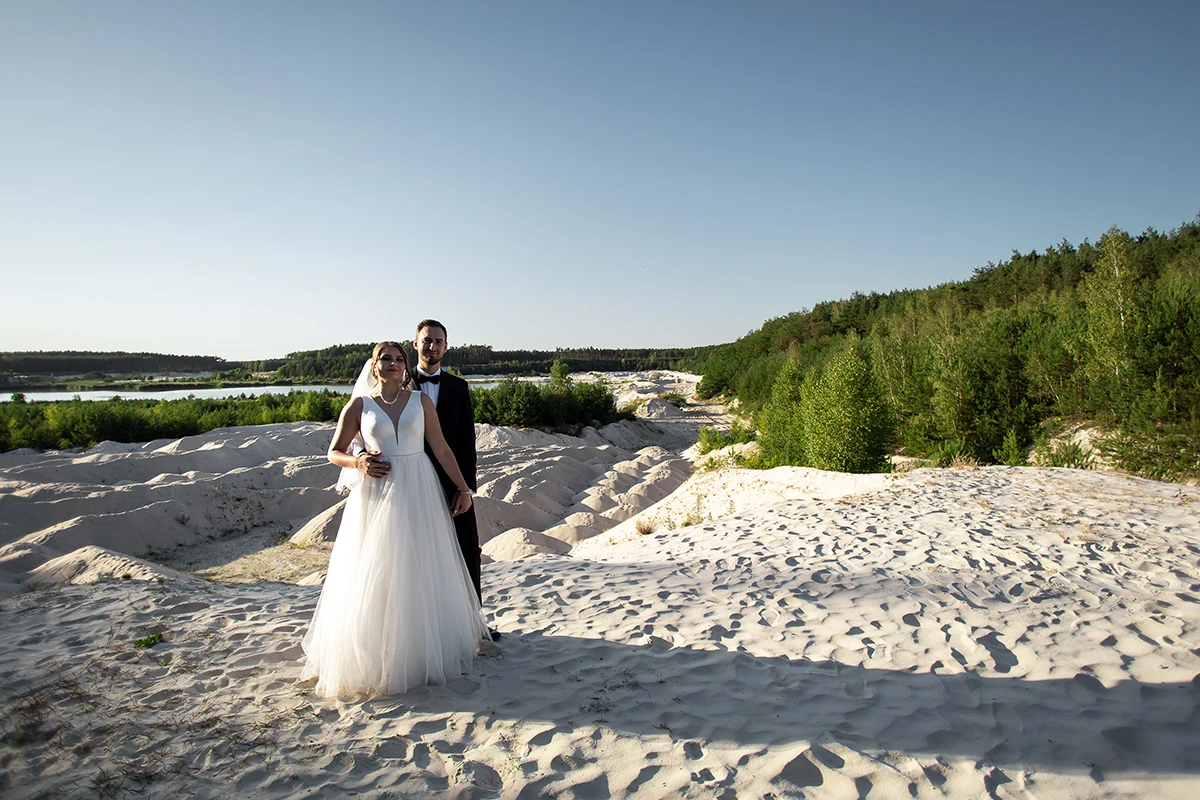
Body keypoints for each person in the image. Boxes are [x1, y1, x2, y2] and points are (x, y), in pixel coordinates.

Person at [301, 342, 489, 698]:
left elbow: (443, 448)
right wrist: (358, 463)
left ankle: (419, 652)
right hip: (378, 492)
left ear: (406, 366)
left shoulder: (422, 402)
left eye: (398, 359)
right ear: (373, 366)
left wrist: (464, 489)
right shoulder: (359, 405)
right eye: (385, 358)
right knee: (378, 569)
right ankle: (375, 655)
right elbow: (334, 452)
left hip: (421, 490)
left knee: (420, 567)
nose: (392, 363)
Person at [411, 319, 499, 641]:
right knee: (416, 555)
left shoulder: (459, 388)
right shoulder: (400, 385)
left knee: (467, 552)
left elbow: (466, 444)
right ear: (415, 343)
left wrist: (467, 489)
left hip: (453, 485)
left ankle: (474, 626)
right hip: (411, 484)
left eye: (438, 341)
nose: (432, 346)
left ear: (446, 347)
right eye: (426, 340)